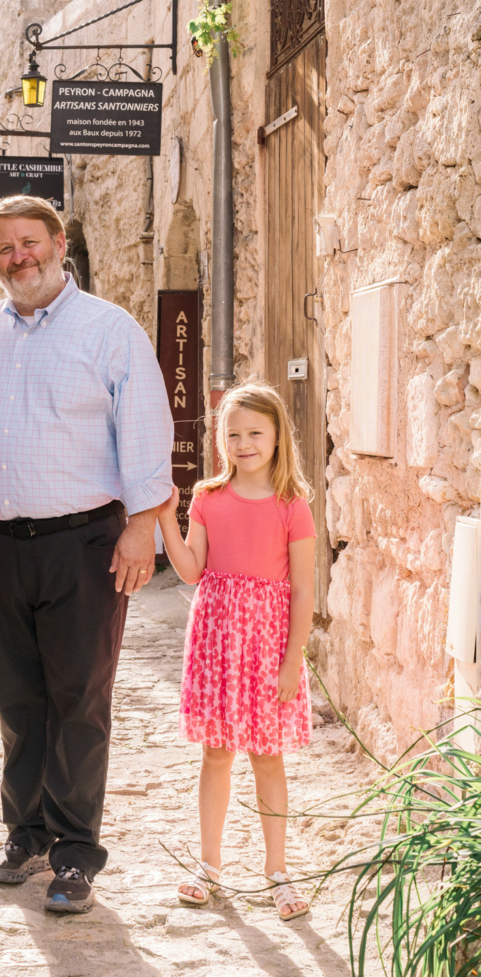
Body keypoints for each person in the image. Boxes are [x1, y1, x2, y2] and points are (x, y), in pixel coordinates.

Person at [0, 196, 174, 915]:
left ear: (57, 243)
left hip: (85, 543)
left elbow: (144, 429)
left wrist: (143, 526)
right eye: (5, 249)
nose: (19, 257)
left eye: (29, 242)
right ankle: (26, 834)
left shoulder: (110, 331)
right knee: (17, 700)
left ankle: (76, 852)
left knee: (79, 698)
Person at [157, 381, 315, 921]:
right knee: (216, 753)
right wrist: (165, 516)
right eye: (233, 433)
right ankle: (210, 865)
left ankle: (277, 870)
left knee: (267, 756)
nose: (243, 443)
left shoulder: (293, 504)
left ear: (276, 437)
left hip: (268, 644)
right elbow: (192, 570)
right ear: (220, 439)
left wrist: (292, 659)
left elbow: (303, 590)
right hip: (217, 640)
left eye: (255, 432)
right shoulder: (207, 498)